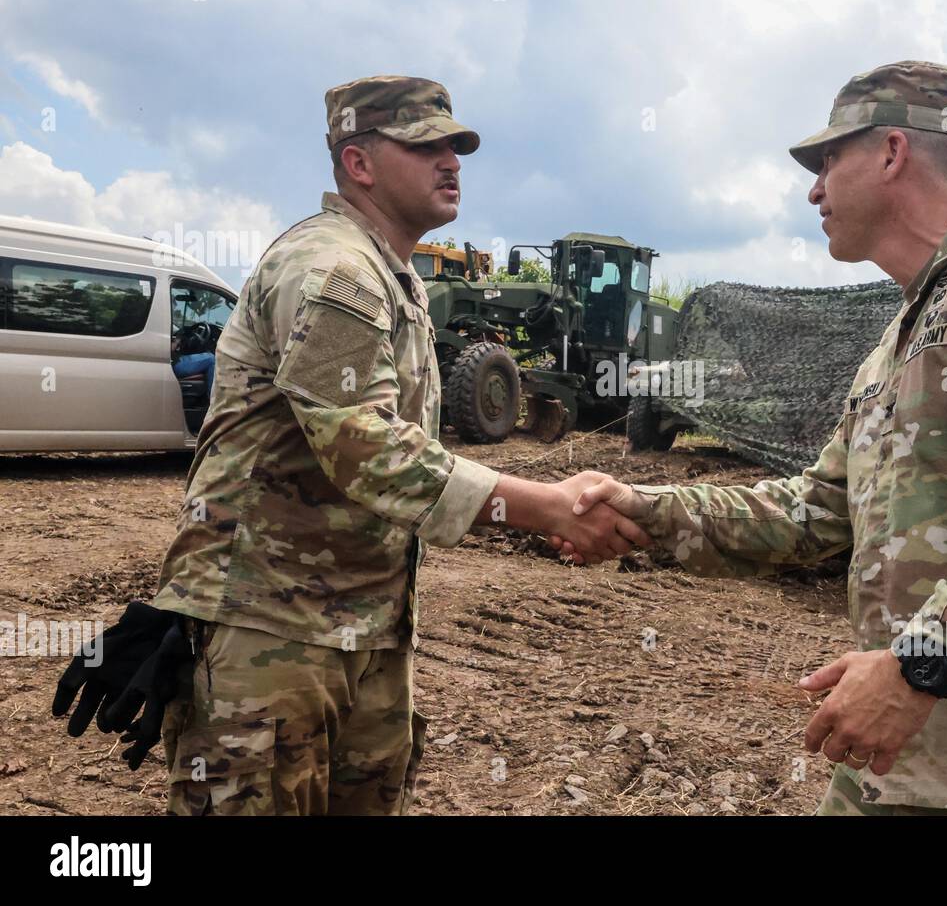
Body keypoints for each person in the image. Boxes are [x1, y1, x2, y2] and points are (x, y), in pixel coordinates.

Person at [566, 60, 947, 814]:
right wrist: (644, 508)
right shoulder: (898, 342)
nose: (814, 190)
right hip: (910, 753)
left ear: (891, 152)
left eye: (827, 161)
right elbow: (817, 509)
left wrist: (918, 667)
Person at [53, 75, 649, 815]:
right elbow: (364, 446)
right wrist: (547, 507)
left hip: (360, 628)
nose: (451, 161)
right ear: (359, 163)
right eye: (424, 146)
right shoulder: (333, 268)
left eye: (456, 147)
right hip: (274, 632)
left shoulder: (392, 277)